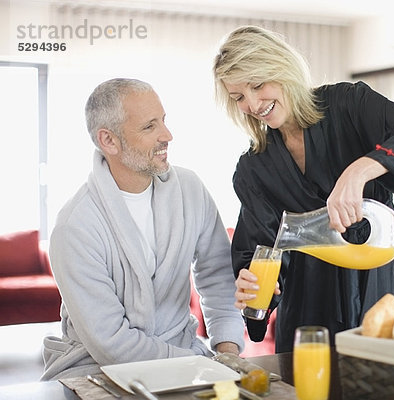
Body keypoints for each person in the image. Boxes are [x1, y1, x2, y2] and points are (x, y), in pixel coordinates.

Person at [213, 25, 394, 353]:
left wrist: (361, 169)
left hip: (376, 296)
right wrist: (251, 283)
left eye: (258, 85)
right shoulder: (255, 167)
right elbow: (258, 251)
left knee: (377, 380)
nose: (253, 104)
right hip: (306, 314)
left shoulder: (348, 105)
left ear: (282, 69)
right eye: (239, 97)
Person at [41, 78, 244, 380]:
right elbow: (111, 344)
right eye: (150, 127)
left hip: (186, 357)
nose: (167, 135)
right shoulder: (75, 227)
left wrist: (227, 353)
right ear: (108, 140)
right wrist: (197, 364)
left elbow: (218, 276)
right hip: (99, 369)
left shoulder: (190, 190)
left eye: (163, 121)